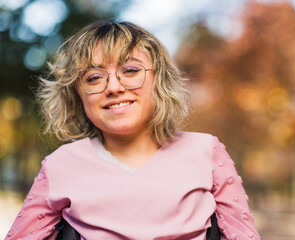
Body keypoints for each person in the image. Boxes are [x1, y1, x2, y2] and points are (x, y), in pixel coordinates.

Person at [6, 21, 260, 240]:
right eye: (93, 77)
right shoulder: (60, 165)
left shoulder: (206, 152)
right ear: (77, 95)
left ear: (159, 81)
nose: (114, 86)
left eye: (130, 70)